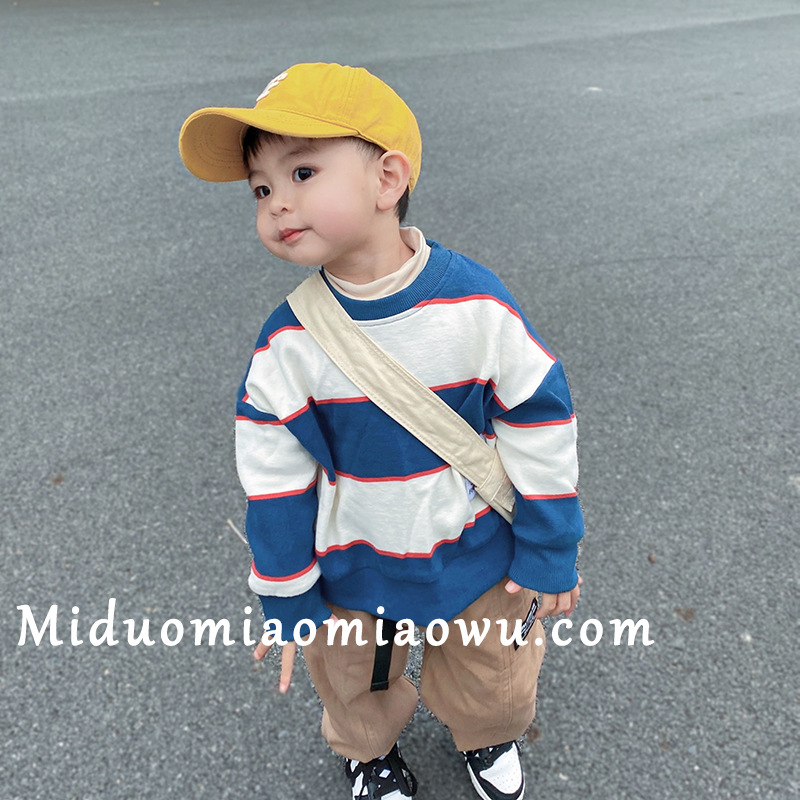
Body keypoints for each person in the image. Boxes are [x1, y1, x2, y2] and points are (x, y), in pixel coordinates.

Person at [179, 61, 583, 800]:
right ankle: (368, 752)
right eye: (261, 189)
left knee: (494, 670)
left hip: (479, 549)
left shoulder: (476, 307)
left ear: (387, 179)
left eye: (302, 172)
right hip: (353, 562)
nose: (276, 202)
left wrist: (550, 546)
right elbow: (273, 475)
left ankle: (488, 733)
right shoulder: (288, 343)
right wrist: (286, 590)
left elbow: (539, 421)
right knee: (352, 680)